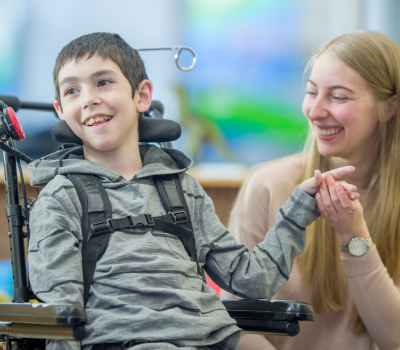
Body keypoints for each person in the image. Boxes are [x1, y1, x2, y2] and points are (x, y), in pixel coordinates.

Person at [27, 32, 355, 350]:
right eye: (72, 91)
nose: (89, 99)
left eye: (103, 82)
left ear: (142, 96)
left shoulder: (183, 189)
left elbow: (251, 279)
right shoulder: (61, 199)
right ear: (60, 110)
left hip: (208, 338)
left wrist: (297, 211)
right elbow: (61, 315)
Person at [221, 30, 400, 350]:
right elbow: (233, 324)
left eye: (339, 96)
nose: (314, 111)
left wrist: (353, 236)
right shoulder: (267, 185)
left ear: (389, 107)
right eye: (311, 92)